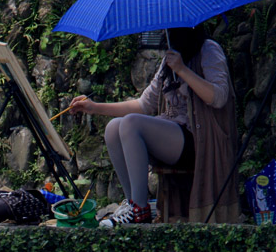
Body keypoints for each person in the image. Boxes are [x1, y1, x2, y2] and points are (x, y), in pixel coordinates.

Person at [68, 25, 240, 225]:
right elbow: (143, 105)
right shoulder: (170, 59)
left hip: (200, 139)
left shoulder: (208, 50)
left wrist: (182, 70)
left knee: (131, 123)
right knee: (114, 128)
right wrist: (93, 107)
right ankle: (132, 203)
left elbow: (218, 97)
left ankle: (139, 210)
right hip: (172, 135)